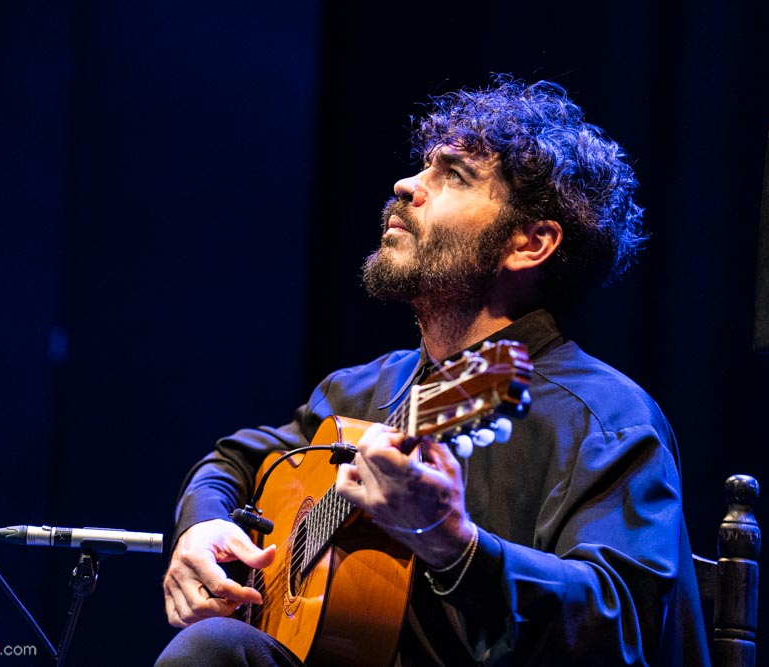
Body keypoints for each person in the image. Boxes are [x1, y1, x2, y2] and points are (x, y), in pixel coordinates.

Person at [155, 75, 709, 666]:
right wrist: (201, 527)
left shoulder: (603, 417)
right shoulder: (362, 393)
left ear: (530, 242)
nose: (406, 185)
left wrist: (453, 543)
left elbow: (623, 623)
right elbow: (236, 461)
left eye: (455, 175)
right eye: (424, 166)